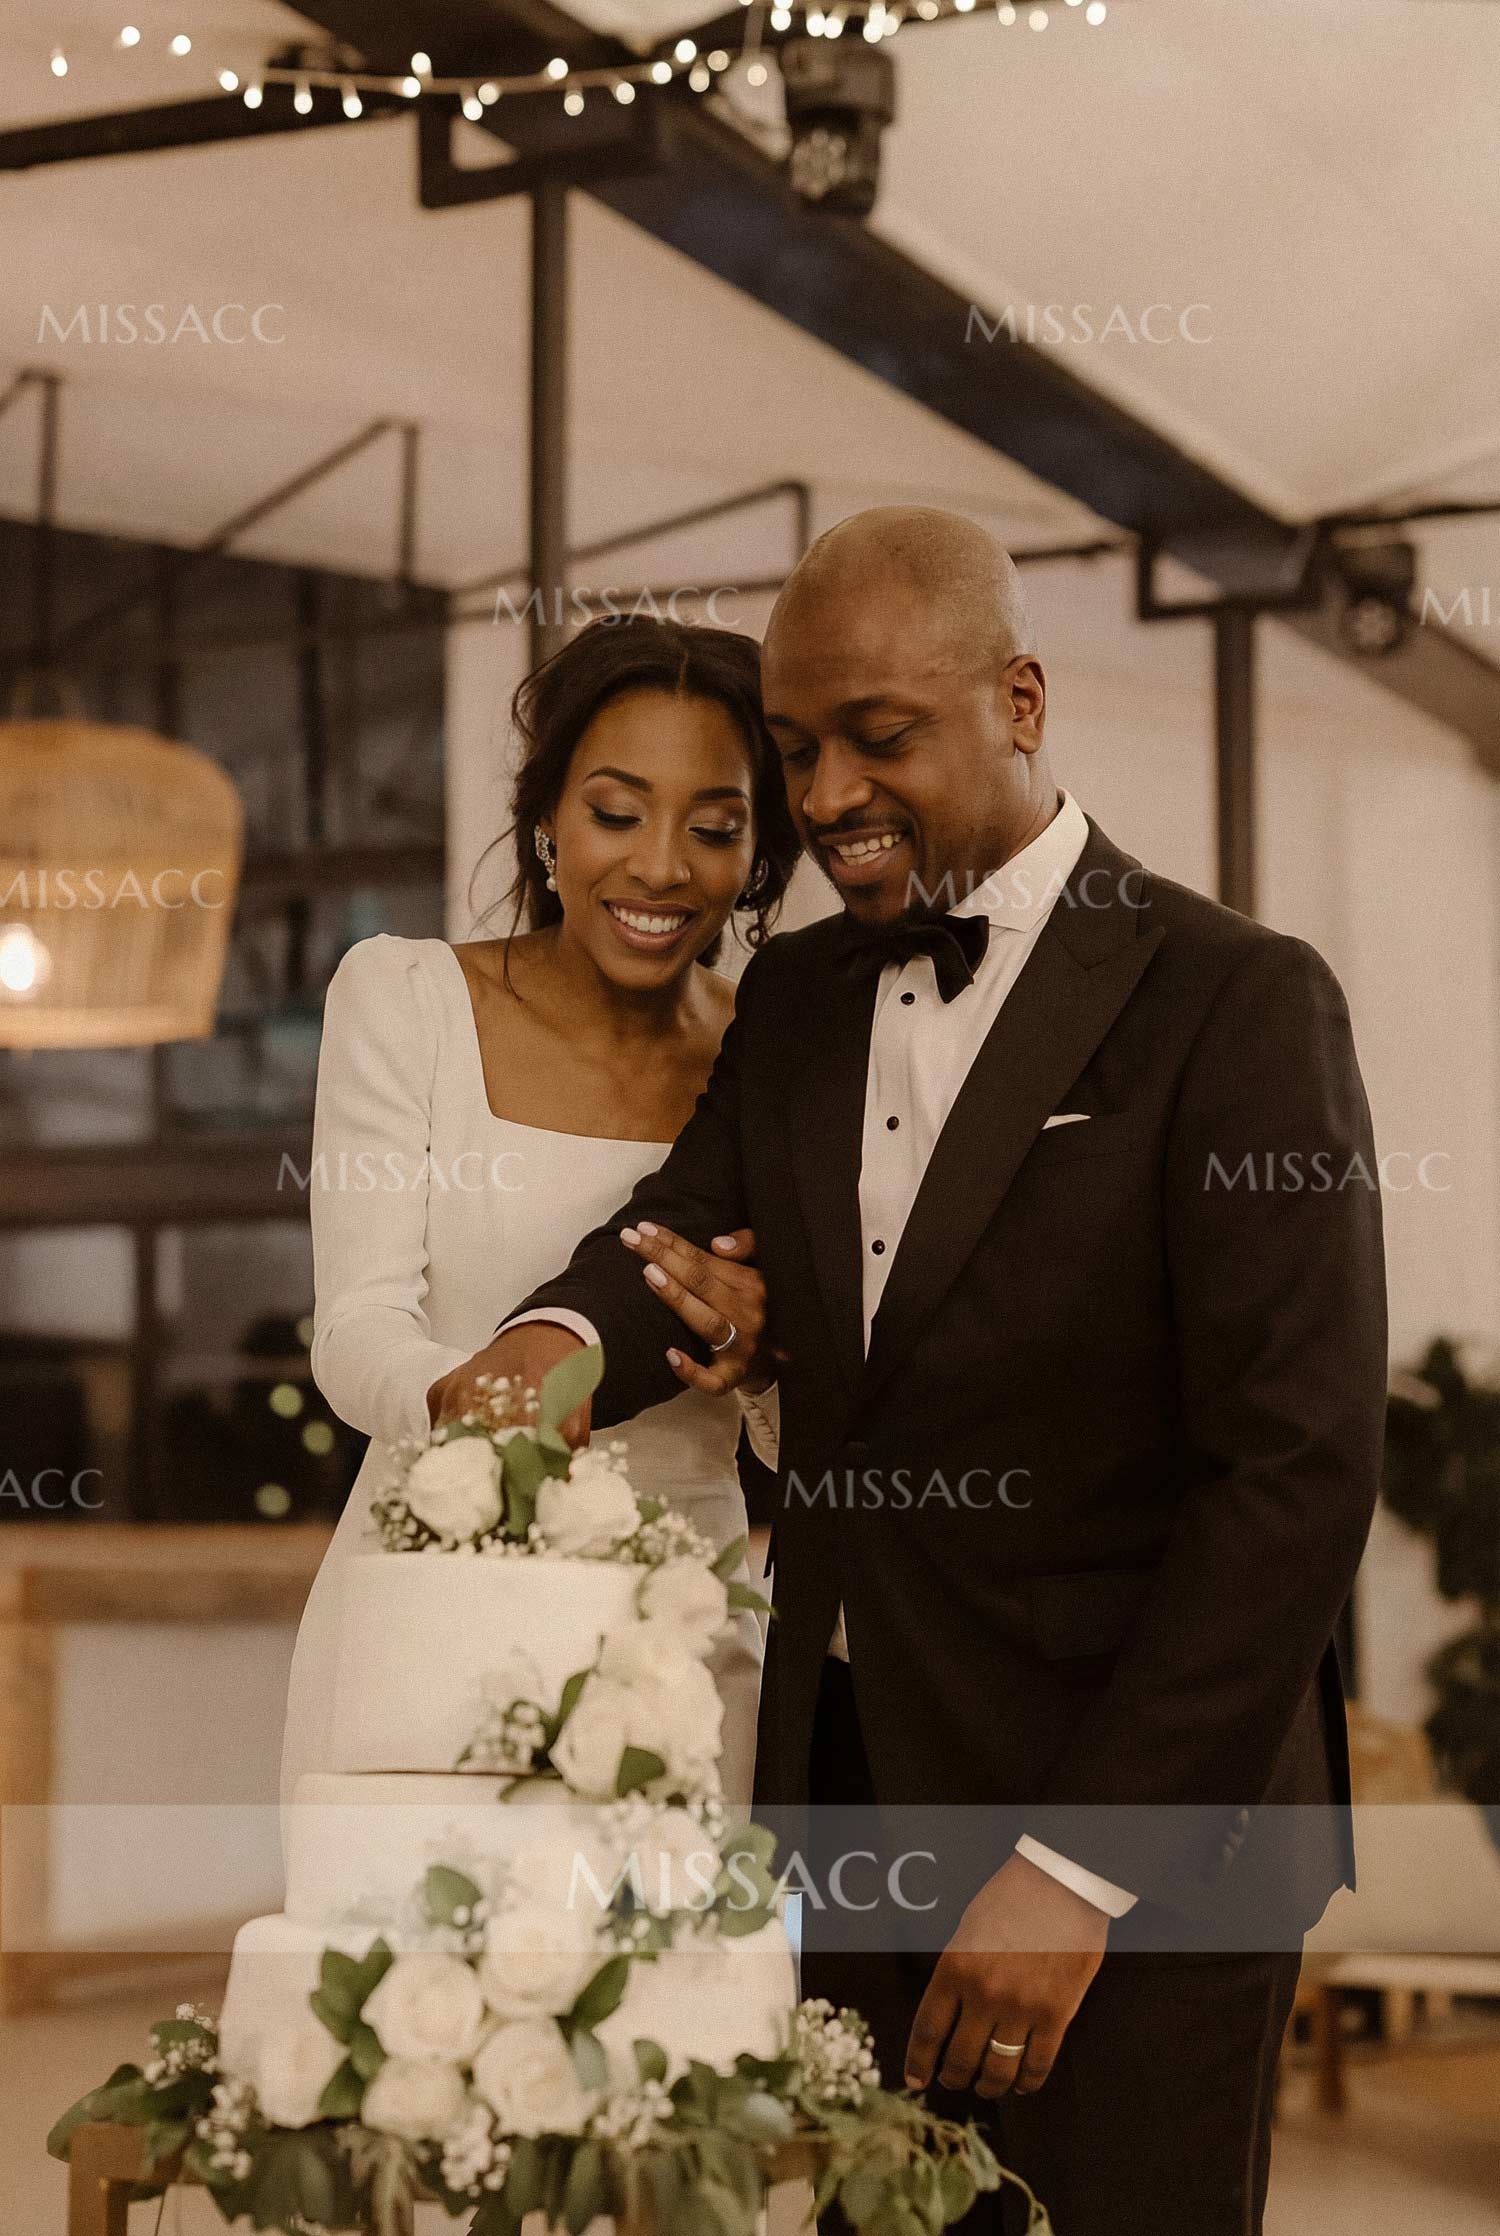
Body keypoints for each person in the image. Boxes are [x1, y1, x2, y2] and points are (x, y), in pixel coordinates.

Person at [432, 509, 1388, 2236]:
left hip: (1138, 1835)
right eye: (798, 748)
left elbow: (1296, 1476)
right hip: (853, 1792)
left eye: (880, 736)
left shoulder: (1236, 999)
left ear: (1019, 700)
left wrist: (1078, 1871)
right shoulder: (798, 992)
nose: (829, 795)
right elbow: (681, 1233)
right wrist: (542, 1351)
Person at [281, 615, 800, 1813]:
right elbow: (354, 1331)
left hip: (685, 1623)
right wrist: (478, 1402)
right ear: (548, 821)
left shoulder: (783, 1056)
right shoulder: (406, 998)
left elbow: (789, 1423)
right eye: (617, 812)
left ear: (758, 852)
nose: (660, 866)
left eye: (713, 827)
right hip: (433, 1593)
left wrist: (764, 1369)